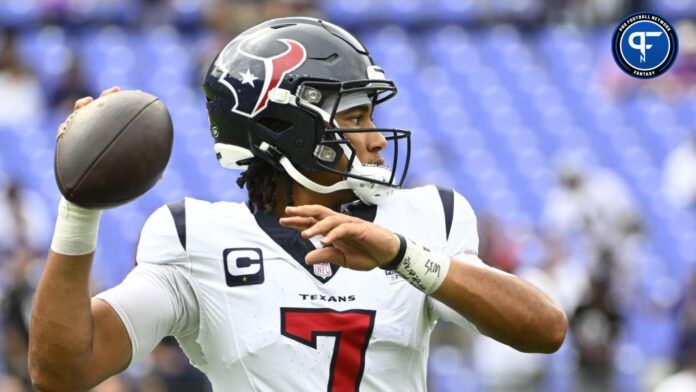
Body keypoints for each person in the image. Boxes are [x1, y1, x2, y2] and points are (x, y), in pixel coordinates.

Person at [28, 17, 567, 391]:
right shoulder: (196, 236)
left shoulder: (422, 220)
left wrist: (403, 256)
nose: (377, 139)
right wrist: (80, 212)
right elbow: (64, 371)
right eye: (355, 119)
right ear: (288, 129)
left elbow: (544, 330)